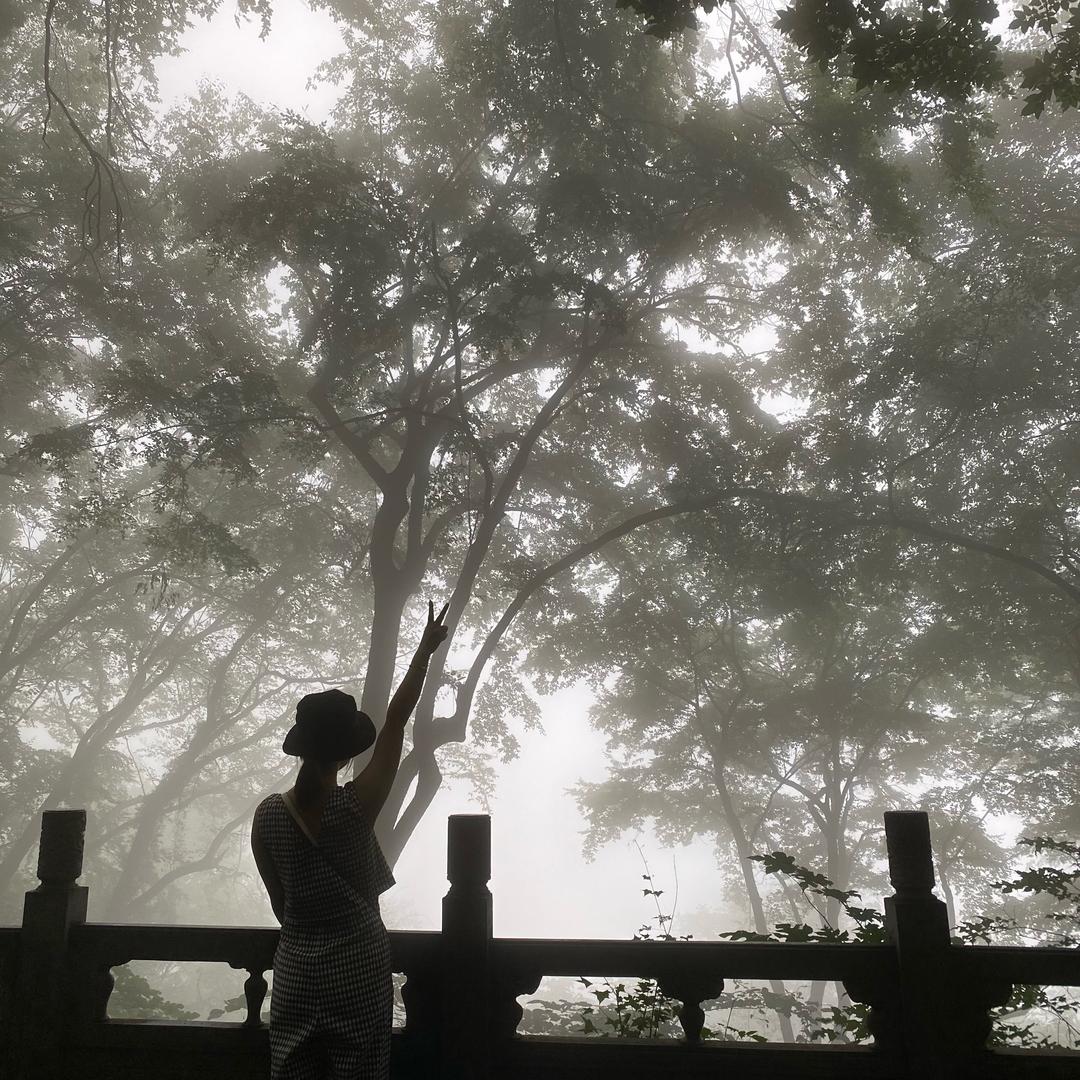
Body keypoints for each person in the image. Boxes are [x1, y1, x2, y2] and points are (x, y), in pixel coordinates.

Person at [251, 601, 450, 1080]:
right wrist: (424, 651)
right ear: (345, 754)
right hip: (359, 967)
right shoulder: (355, 805)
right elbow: (396, 722)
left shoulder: (267, 816)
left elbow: (282, 905)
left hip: (297, 969)